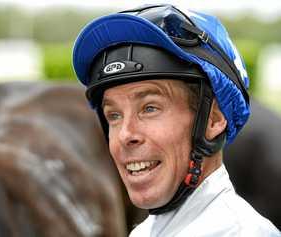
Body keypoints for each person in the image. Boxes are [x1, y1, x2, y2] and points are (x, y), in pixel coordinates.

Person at [72, 4, 281, 236]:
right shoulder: (144, 232)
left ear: (213, 119)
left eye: (149, 108)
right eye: (114, 115)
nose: (124, 135)